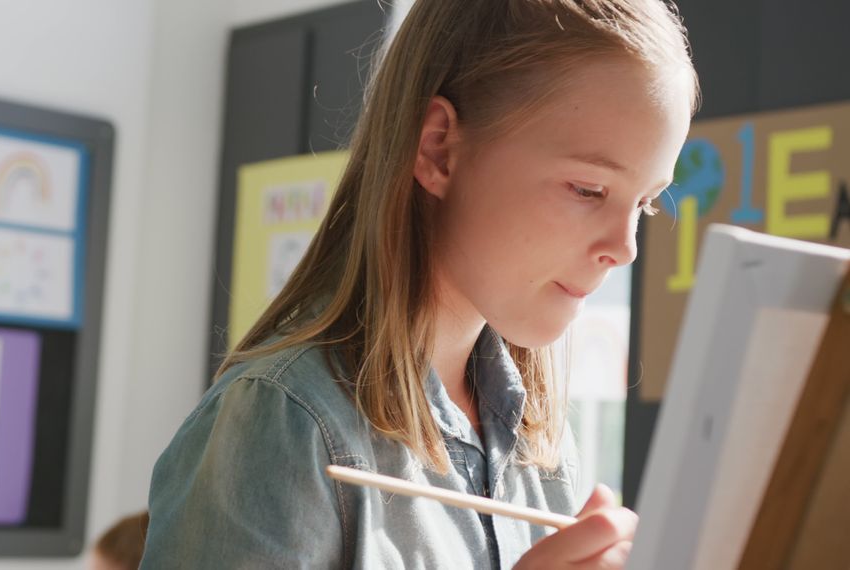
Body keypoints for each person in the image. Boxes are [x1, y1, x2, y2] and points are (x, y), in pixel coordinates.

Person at [142, 0, 697, 567]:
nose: (625, 248)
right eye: (587, 189)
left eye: (647, 204)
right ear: (438, 149)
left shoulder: (540, 447)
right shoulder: (284, 421)